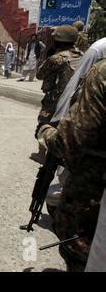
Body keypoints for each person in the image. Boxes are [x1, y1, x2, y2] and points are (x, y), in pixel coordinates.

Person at [37, 56, 106, 272]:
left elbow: (70, 141)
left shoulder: (100, 72)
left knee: (80, 246)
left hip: (93, 187)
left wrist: (45, 133)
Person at [30, 26, 83, 163]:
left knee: (44, 124)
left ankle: (42, 154)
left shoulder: (57, 58)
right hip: (76, 100)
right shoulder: (82, 56)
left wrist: (49, 56)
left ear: (58, 41)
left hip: (54, 100)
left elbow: (40, 75)